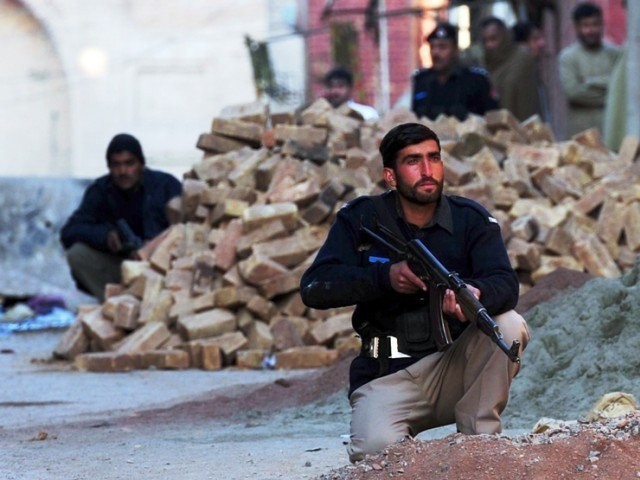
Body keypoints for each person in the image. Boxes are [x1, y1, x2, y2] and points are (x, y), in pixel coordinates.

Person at [299, 122, 530, 462]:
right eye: (413, 161)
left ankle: (480, 449)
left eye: (433, 158)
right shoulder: (362, 219)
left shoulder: (471, 220)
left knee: (508, 325)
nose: (427, 170)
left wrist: (474, 295)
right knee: (377, 453)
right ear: (390, 176)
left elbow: (506, 283)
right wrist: (383, 278)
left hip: (452, 367)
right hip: (386, 374)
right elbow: (315, 287)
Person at [60, 133, 182, 302]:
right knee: (77, 254)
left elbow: (186, 226)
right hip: (122, 267)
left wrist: (155, 248)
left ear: (141, 164)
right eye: (116, 165)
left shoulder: (165, 185)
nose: (123, 171)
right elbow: (69, 232)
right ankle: (113, 307)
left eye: (129, 163)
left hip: (165, 267)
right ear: (109, 167)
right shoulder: (101, 191)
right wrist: (106, 236)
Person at [411, 22, 499, 121]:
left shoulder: (475, 80)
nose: (435, 53)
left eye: (442, 47)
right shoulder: (422, 80)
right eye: (432, 47)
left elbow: (492, 118)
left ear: (455, 50)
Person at [558, 2, 621, 138]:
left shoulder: (614, 53)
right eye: (586, 25)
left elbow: (621, 88)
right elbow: (573, 93)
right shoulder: (568, 57)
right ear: (576, 27)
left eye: (595, 24)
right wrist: (609, 91)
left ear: (602, 25)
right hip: (581, 133)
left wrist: (588, 82)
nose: (591, 30)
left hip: (610, 131)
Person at [477, 16, 541, 122]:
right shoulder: (484, 64)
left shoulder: (522, 58)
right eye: (485, 41)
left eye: (493, 39)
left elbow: (528, 102)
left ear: (504, 36)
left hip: (522, 126)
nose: (489, 45)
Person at [511, 20, 551, 123]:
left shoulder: (534, 70)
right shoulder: (518, 75)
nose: (542, 43)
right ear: (521, 45)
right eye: (535, 39)